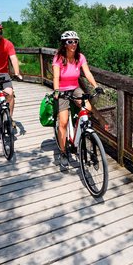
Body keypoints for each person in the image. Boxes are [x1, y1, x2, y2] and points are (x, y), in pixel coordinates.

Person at [52, 30, 103, 167]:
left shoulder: (80, 57)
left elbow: (87, 73)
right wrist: (56, 91)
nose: (73, 44)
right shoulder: (58, 58)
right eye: (70, 42)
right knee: (62, 122)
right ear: (64, 44)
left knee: (88, 107)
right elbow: (56, 77)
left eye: (75, 41)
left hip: (75, 88)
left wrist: (96, 86)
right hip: (62, 90)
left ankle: (80, 132)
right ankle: (63, 152)